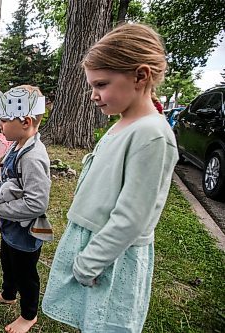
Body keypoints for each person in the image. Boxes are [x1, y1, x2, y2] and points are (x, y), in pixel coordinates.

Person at [42, 23, 178, 333]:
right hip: (92, 240)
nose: (93, 95)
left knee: (105, 324)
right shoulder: (123, 123)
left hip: (110, 254)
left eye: (101, 84)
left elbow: (132, 217)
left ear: (140, 76)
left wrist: (89, 262)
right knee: (90, 320)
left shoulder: (152, 135)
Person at [0, 85, 52, 333]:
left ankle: (28, 314)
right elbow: (8, 179)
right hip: (10, 228)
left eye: (3, 120)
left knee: (26, 274)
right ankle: (8, 294)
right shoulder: (16, 145)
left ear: (25, 121)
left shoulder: (33, 157)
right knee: (8, 263)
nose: (0, 125)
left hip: (26, 231)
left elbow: (36, 203)